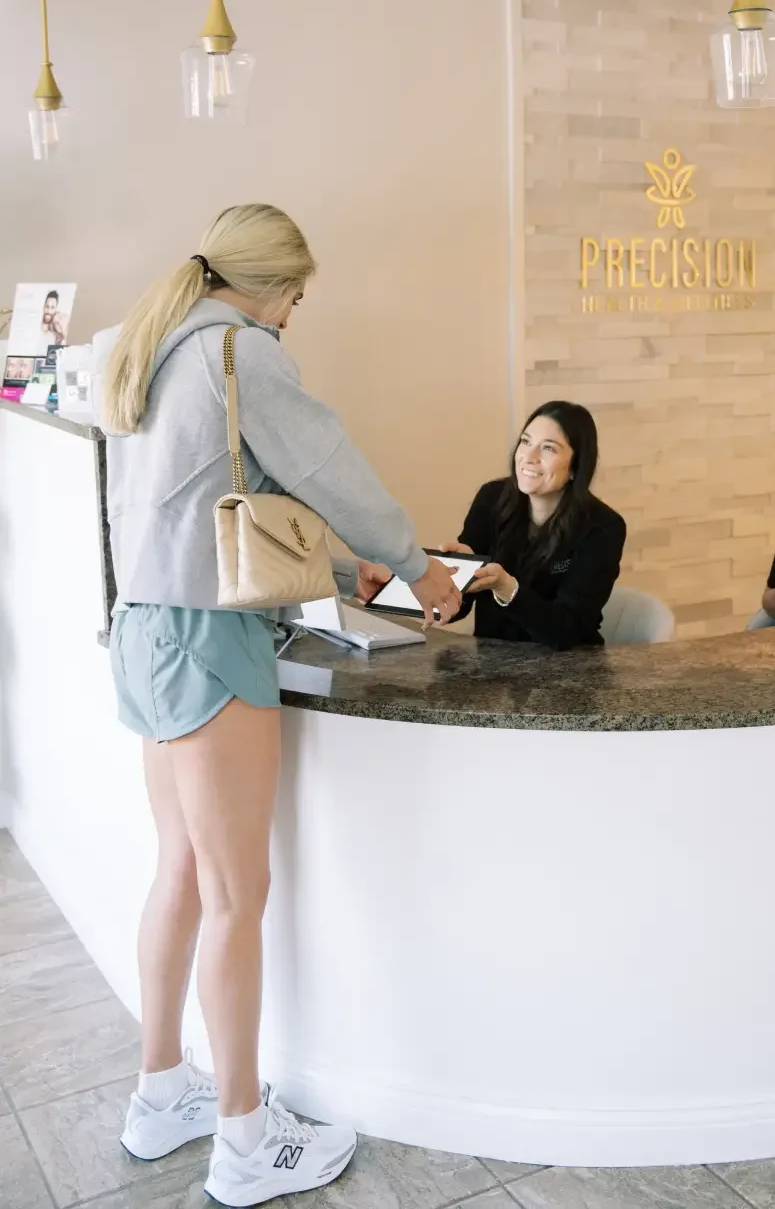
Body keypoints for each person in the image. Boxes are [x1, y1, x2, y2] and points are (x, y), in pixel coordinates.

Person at [97, 202, 461, 1208]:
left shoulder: (142, 346)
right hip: (209, 641)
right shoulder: (240, 353)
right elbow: (330, 472)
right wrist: (413, 565)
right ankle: (245, 1144)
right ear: (267, 282)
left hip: (141, 629)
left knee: (179, 873)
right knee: (235, 899)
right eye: (297, 292)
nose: (297, 310)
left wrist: (357, 571)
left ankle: (160, 1092)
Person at [442, 400, 625, 651]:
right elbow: (455, 610)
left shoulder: (603, 528)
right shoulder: (491, 498)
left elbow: (565, 631)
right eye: (525, 442)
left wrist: (507, 588)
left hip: (572, 675)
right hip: (493, 672)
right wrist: (458, 574)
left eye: (548, 448)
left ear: (575, 467)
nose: (529, 457)